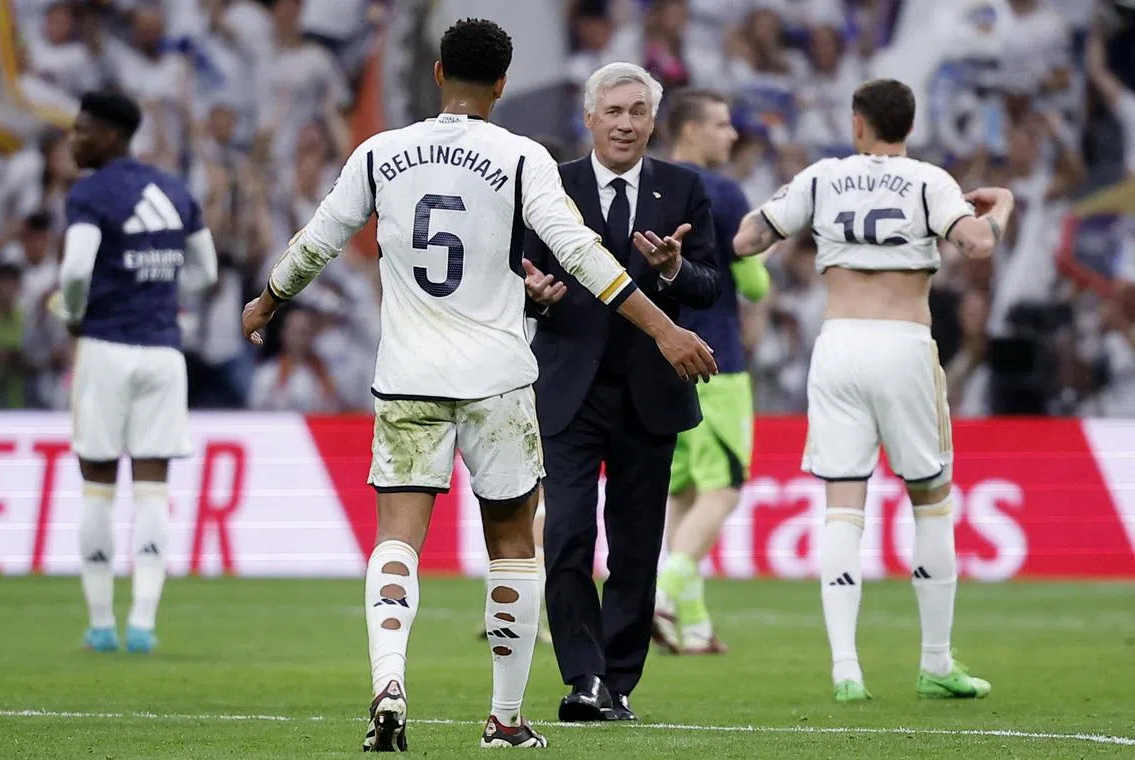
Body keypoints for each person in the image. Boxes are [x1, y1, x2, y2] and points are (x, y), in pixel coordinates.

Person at [239, 20, 716, 752]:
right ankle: (503, 717)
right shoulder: (523, 157)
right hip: (496, 379)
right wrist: (664, 328)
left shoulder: (380, 152)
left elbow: (319, 240)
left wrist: (269, 298)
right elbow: (585, 258)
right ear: (501, 83)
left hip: (407, 376)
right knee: (513, 546)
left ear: (436, 74)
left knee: (398, 541)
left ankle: (391, 683)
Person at [732, 78, 1014, 702]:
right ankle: (936, 661)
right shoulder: (929, 180)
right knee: (930, 498)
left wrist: (780, 210)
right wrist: (1003, 207)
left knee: (842, 504)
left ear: (857, 122)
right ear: (907, 125)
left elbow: (748, 239)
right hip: (903, 342)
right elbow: (978, 244)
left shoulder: (823, 175)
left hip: (836, 345)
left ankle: (844, 668)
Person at [522, 61, 723, 723]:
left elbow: (709, 286)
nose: (626, 123)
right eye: (614, 111)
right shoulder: (552, 186)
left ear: (653, 121)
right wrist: (536, 297)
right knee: (568, 538)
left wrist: (672, 269)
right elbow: (517, 272)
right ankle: (583, 678)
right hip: (568, 394)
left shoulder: (684, 187)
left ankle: (619, 683)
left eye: (638, 111)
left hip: (649, 394)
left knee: (636, 549)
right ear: (590, 117)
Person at [54, 91, 218, 654]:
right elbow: (207, 270)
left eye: (82, 130)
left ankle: (101, 623)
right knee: (152, 487)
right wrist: (161, 295)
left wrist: (74, 312)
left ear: (112, 135)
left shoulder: (91, 192)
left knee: (97, 484)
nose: (73, 140)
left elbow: (76, 267)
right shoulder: (173, 188)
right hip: (163, 353)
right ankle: (144, 622)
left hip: (106, 346)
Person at [652, 89, 770, 656]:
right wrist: (757, 260)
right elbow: (753, 286)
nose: (732, 136)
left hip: (656, 361)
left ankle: (692, 625)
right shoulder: (722, 193)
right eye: (722, 124)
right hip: (715, 361)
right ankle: (662, 595)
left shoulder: (644, 184)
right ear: (691, 130)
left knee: (681, 493)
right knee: (722, 491)